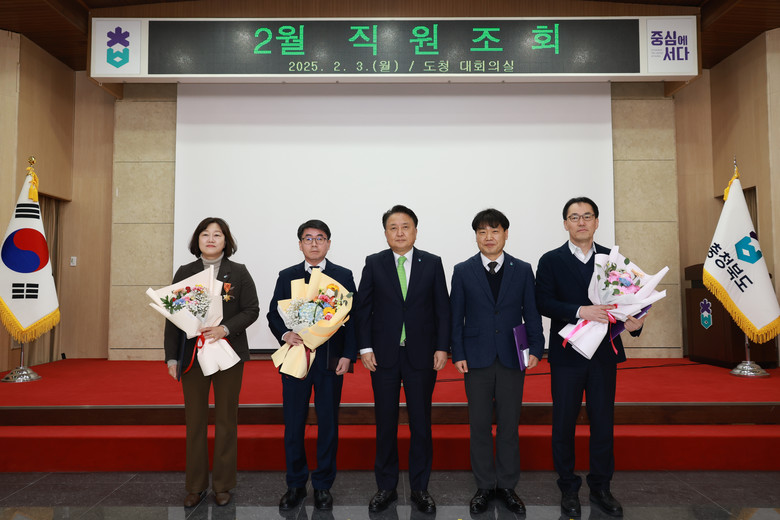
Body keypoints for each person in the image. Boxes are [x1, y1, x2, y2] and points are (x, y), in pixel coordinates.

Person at [535, 197, 646, 518]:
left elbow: (630, 301)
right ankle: (568, 487)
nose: (581, 222)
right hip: (567, 354)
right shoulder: (551, 260)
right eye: (574, 217)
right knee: (563, 423)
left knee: (602, 423)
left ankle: (601, 487)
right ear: (565, 224)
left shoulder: (612, 259)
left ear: (597, 222)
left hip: (603, 356)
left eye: (587, 216)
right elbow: (543, 301)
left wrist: (635, 322)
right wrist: (580, 311)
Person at [355, 205, 451, 514]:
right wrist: (365, 348)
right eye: (393, 227)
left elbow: (443, 308)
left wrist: (442, 347)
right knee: (386, 423)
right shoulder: (374, 263)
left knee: (421, 423)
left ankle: (420, 488)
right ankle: (386, 487)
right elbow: (363, 309)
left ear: (415, 231)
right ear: (385, 233)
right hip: (383, 355)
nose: (399, 232)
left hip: (421, 354)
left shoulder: (432, 263)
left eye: (405, 226)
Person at [450, 208, 545, 515]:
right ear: (476, 236)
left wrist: (536, 347)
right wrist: (458, 353)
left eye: (494, 231)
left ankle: (506, 485)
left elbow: (531, 312)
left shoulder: (522, 269)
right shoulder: (463, 270)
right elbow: (456, 316)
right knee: (479, 425)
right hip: (475, 358)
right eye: (482, 232)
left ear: (505, 233)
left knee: (508, 425)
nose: (488, 237)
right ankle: (483, 486)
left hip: (512, 356)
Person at [163, 217, 259, 508]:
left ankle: (223, 485)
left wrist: (225, 329)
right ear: (198, 240)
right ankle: (195, 486)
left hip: (228, 354)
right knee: (195, 421)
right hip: (193, 356)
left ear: (226, 241)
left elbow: (251, 310)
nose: (211, 239)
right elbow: (173, 317)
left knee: (227, 420)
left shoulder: (238, 272)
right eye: (205, 234)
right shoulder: (185, 272)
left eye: (217, 235)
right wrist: (171, 357)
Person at [266, 219, 357, 512]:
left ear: (328, 243)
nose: (314, 243)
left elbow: (352, 318)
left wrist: (348, 355)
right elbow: (273, 314)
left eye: (320, 238)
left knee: (328, 423)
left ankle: (322, 485)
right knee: (294, 423)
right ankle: (295, 484)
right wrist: (285, 334)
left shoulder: (343, 275)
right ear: (300, 244)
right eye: (308, 238)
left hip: (330, 360)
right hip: (296, 357)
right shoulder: (287, 275)